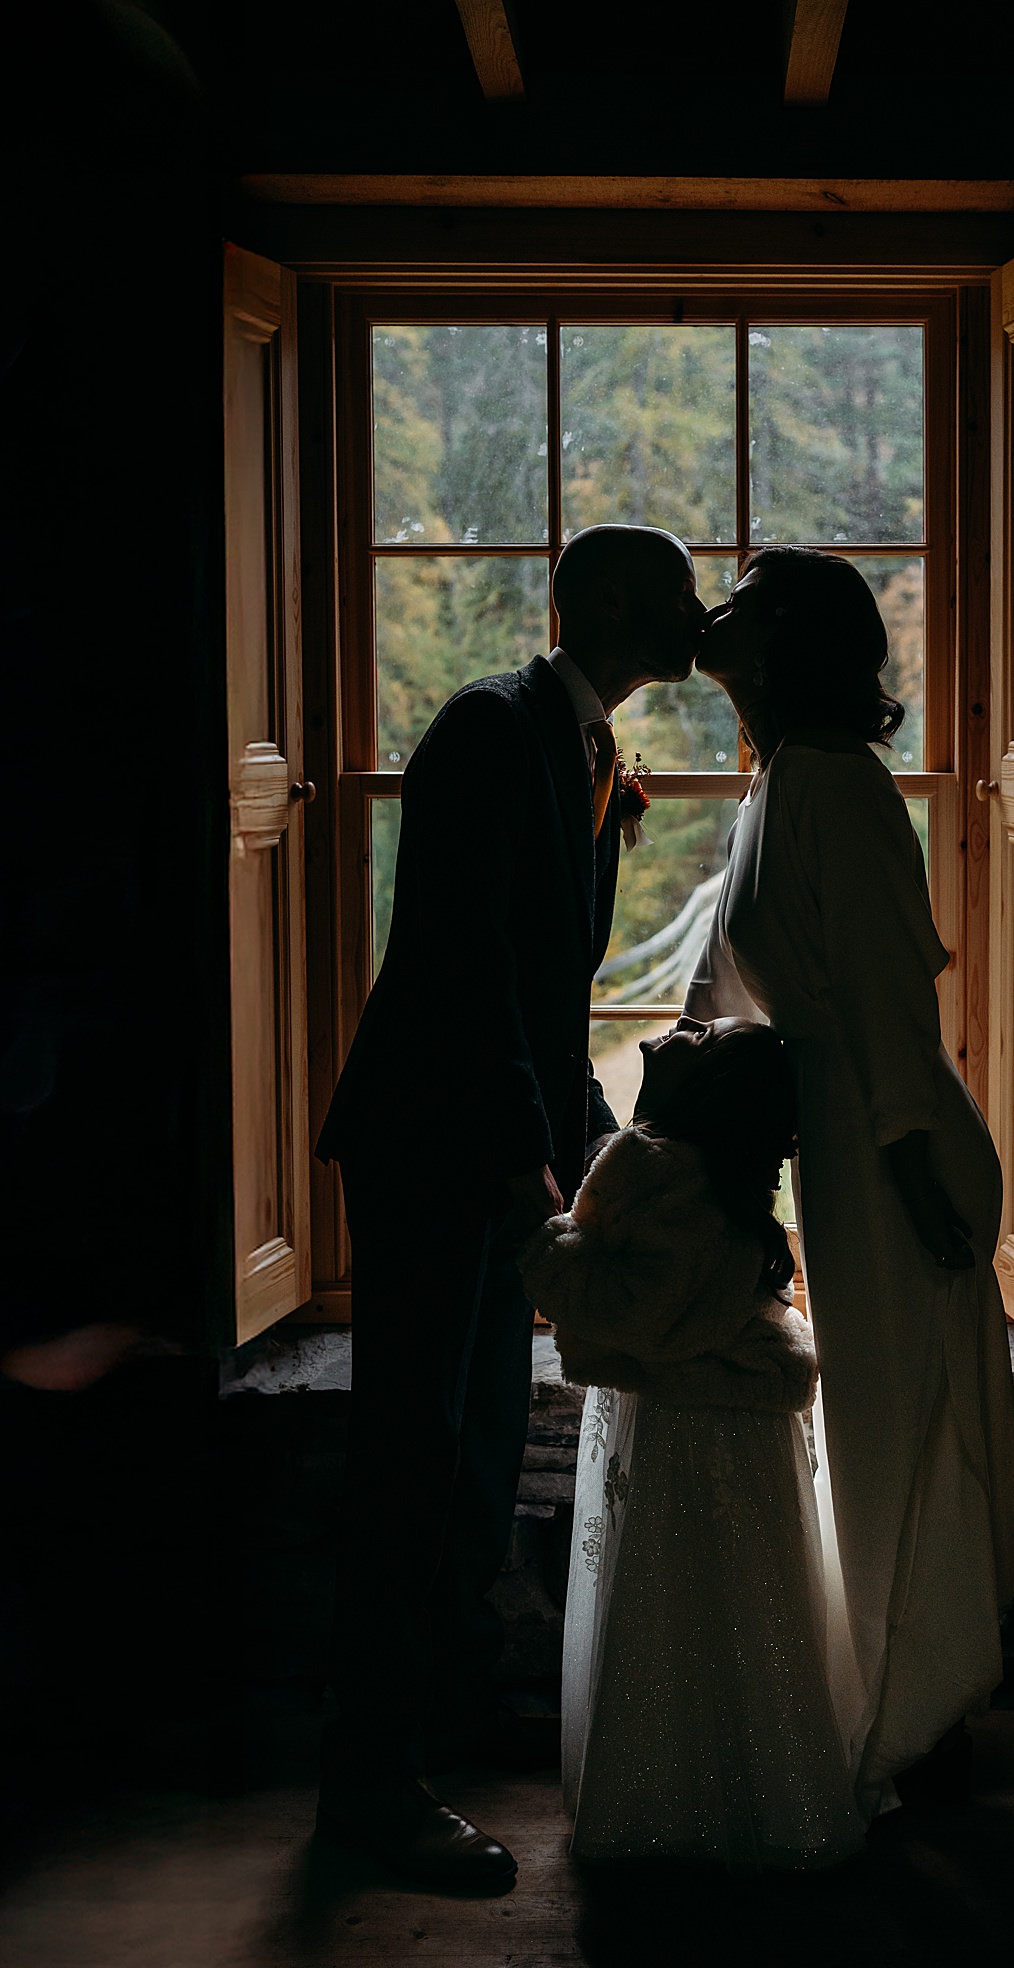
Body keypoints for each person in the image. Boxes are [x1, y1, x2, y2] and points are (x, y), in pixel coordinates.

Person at [315, 524, 708, 1891]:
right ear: (603, 602)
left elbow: (546, 995)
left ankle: (429, 1737)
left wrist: (603, 1142)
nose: (697, 612)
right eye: (674, 593)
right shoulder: (487, 729)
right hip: (432, 1154)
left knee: (477, 1453)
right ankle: (368, 1783)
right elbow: (457, 959)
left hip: (490, 1147)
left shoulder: (590, 750)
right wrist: (523, 1153)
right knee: (414, 1461)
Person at [684, 546, 1014, 1821]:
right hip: (838, 1148)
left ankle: (910, 1707)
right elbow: (729, 978)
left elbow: (890, 993)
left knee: (896, 1428)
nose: (710, 615)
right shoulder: (775, 780)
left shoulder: (836, 783)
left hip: (897, 1153)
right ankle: (896, 1688)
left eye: (741, 599)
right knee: (873, 1428)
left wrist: (900, 1162)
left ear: (787, 640)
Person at [518, 1019, 864, 1873]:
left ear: (708, 1093)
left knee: (672, 1605)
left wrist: (546, 1234)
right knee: (746, 1606)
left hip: (683, 1424)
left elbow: (637, 1312)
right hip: (739, 1419)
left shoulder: (656, 1169)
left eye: (704, 1037)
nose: (685, 1024)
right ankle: (761, 1795)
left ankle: (665, 1808)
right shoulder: (711, 1175)